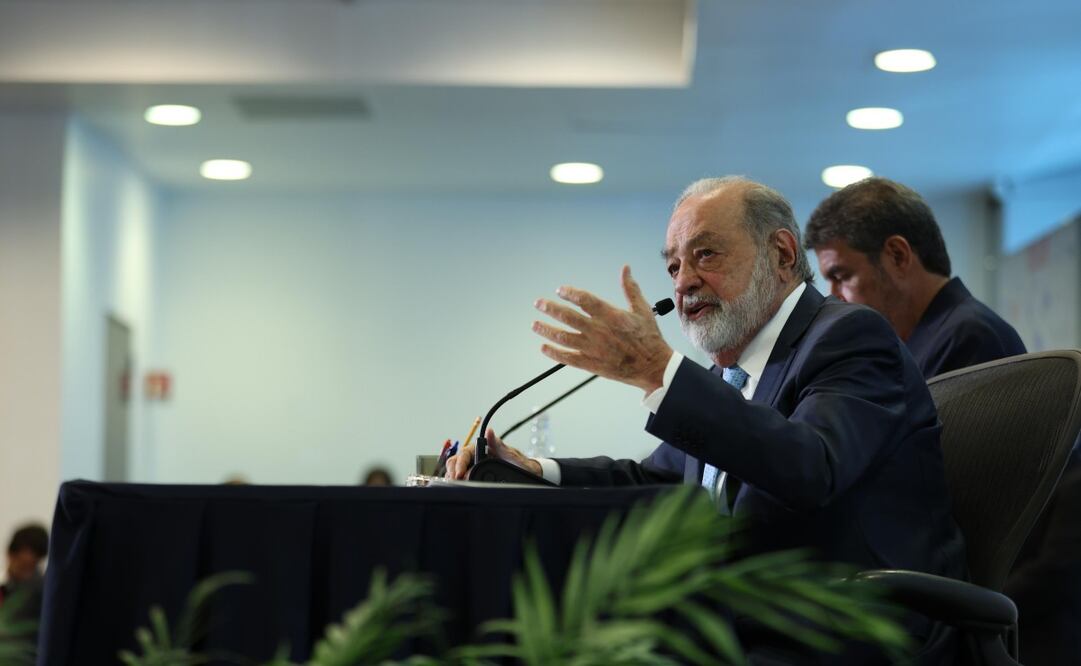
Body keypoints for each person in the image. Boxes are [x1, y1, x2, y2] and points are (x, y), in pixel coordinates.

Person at [447, 176, 966, 663]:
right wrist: (534, 472)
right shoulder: (730, 377)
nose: (684, 282)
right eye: (673, 266)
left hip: (846, 628)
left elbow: (813, 466)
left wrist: (658, 371)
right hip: (744, 626)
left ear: (782, 254)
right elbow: (658, 481)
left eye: (705, 254)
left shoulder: (850, 337)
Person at [803, 177, 1025, 379]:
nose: (833, 295)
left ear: (898, 256)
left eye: (842, 276)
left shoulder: (972, 339)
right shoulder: (924, 342)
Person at [0, 523, 49, 644]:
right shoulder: (4, 589)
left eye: (34, 567)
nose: (28, 575)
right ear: (10, 555)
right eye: (23, 566)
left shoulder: (41, 595)